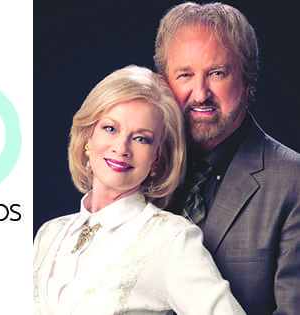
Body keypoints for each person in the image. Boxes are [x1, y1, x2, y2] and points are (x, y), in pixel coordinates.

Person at [33, 65, 243, 314]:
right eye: (110, 128)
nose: (121, 147)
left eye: (141, 138)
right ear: (89, 136)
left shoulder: (171, 239)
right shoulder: (49, 234)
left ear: (157, 157)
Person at [154, 3, 300, 313]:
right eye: (185, 75)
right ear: (164, 83)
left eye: (217, 73)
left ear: (247, 82)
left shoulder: (293, 182)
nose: (200, 93)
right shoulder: (144, 170)